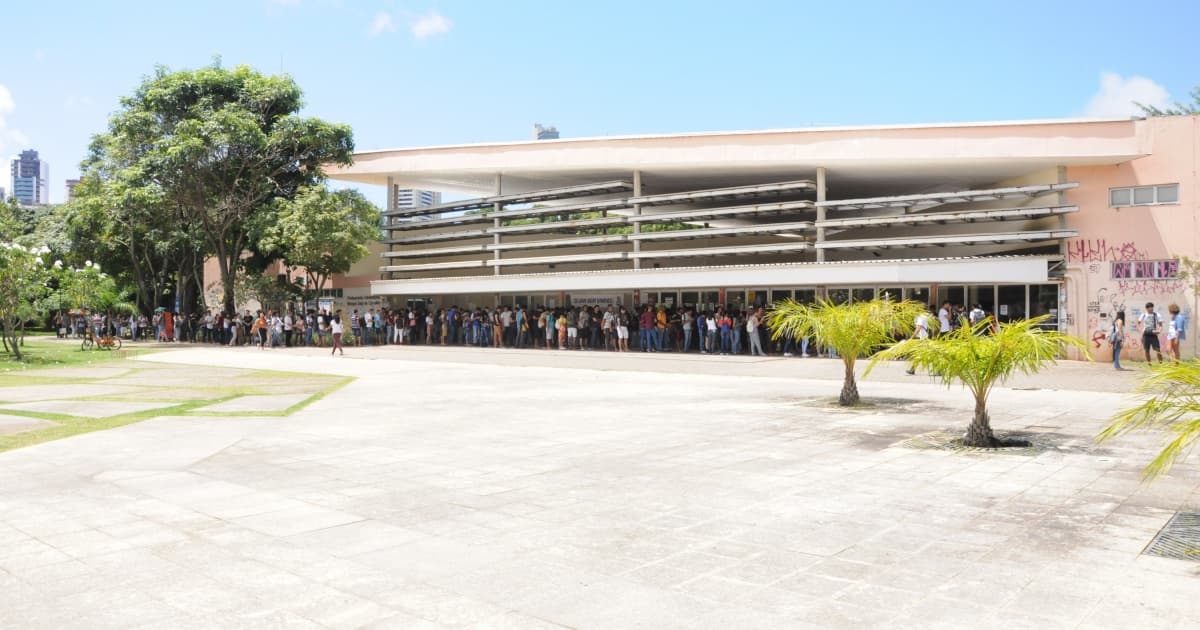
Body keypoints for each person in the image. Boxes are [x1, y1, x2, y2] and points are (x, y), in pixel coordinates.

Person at [906, 306, 932, 375]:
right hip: (923, 337)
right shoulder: (921, 316)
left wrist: (911, 338)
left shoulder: (921, 317)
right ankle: (912, 369)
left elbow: (918, 328)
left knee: (925, 354)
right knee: (921, 354)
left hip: (922, 338)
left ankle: (912, 369)